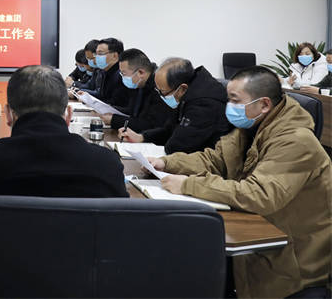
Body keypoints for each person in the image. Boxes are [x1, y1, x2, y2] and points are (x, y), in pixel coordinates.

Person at [150, 67, 331, 299]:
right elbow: (215, 160)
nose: (229, 106)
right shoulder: (252, 127)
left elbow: (259, 194)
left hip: (292, 261)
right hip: (257, 241)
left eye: (235, 100)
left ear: (264, 104)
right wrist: (166, 163)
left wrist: (188, 185)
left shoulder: (296, 140)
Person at [0, 65, 129, 242]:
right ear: (68, 115)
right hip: (80, 267)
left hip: (0, 267)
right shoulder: (106, 163)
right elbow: (121, 229)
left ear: (8, 114)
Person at [120, 57, 230, 154]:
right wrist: (142, 137)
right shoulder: (186, 92)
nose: (160, 96)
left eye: (162, 92)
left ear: (182, 88)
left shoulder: (205, 104)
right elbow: (169, 129)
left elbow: (178, 146)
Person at [101, 48, 175, 132]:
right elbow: (132, 112)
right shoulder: (139, 84)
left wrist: (114, 120)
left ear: (140, 72)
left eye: (124, 73)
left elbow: (150, 125)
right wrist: (111, 110)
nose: (122, 77)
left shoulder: (160, 88)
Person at [90, 37, 131, 107]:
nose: (96, 57)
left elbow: (116, 103)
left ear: (115, 56)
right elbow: (102, 96)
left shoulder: (122, 75)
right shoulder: (104, 71)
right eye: (96, 54)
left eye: (100, 53)